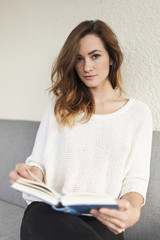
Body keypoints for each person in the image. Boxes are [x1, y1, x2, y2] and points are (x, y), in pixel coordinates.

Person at [9, 20, 153, 240]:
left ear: (112, 58)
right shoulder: (59, 107)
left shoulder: (138, 113)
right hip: (48, 213)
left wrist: (132, 211)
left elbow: (135, 180)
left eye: (95, 55)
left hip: (102, 219)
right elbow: (38, 162)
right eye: (79, 59)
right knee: (48, 220)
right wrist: (30, 175)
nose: (87, 67)